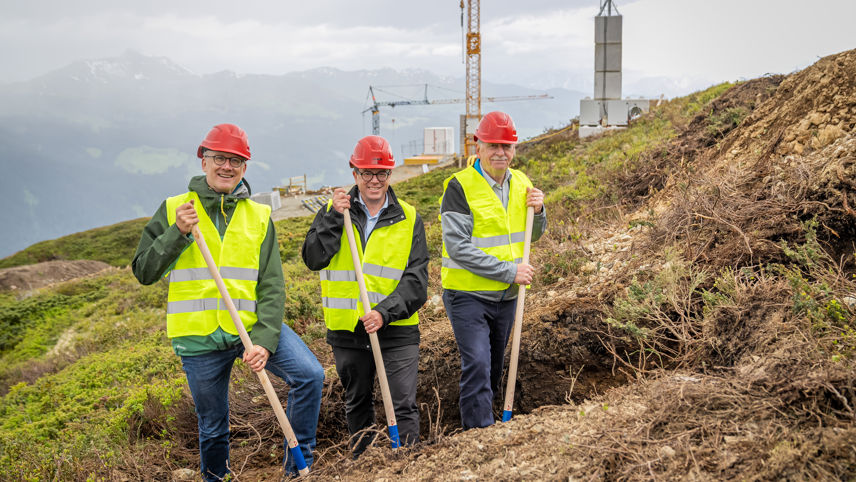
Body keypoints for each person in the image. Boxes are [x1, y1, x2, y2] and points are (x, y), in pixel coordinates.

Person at [132, 123, 324, 480]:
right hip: (199, 339)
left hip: (251, 327)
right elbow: (143, 271)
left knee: (310, 375)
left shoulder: (259, 215)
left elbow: (271, 285)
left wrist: (265, 343)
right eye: (219, 158)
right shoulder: (175, 209)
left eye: (236, 161)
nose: (227, 167)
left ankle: (297, 471)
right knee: (213, 426)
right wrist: (177, 234)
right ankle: (216, 477)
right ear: (203, 160)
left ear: (245, 168)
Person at [301, 135, 428, 456]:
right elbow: (314, 258)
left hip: (396, 329)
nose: (374, 180)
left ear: (390, 174)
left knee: (403, 404)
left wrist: (384, 312)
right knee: (357, 403)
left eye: (381, 173)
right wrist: (331, 217)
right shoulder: (334, 212)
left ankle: (410, 464)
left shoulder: (409, 217)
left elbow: (417, 281)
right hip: (347, 331)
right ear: (354, 173)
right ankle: (363, 464)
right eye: (366, 173)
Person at [439, 111, 547, 430]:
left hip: (507, 297)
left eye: (507, 145)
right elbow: (458, 247)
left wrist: (539, 212)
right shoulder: (458, 187)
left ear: (514, 149)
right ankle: (479, 434)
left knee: (495, 367)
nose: (501, 152)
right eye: (493, 145)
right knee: (477, 363)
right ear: (478, 146)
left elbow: (533, 234)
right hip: (467, 295)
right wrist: (508, 272)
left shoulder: (522, 183)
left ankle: (492, 422)